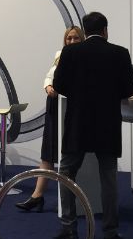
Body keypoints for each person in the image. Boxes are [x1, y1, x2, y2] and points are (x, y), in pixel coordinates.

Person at [51, 11, 133, 239]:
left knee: (66, 173)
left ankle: (69, 228)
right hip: (108, 124)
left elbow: (59, 85)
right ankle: (110, 232)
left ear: (85, 31)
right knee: (109, 177)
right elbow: (129, 89)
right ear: (105, 30)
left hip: (77, 123)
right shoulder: (120, 53)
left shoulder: (70, 52)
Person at [16, 25, 84, 212]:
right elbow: (49, 76)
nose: (71, 41)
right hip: (55, 106)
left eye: (75, 38)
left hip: (72, 108)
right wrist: (48, 87)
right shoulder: (60, 54)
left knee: (69, 157)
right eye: (69, 38)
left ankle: (70, 203)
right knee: (48, 152)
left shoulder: (85, 58)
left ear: (82, 39)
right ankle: (37, 196)